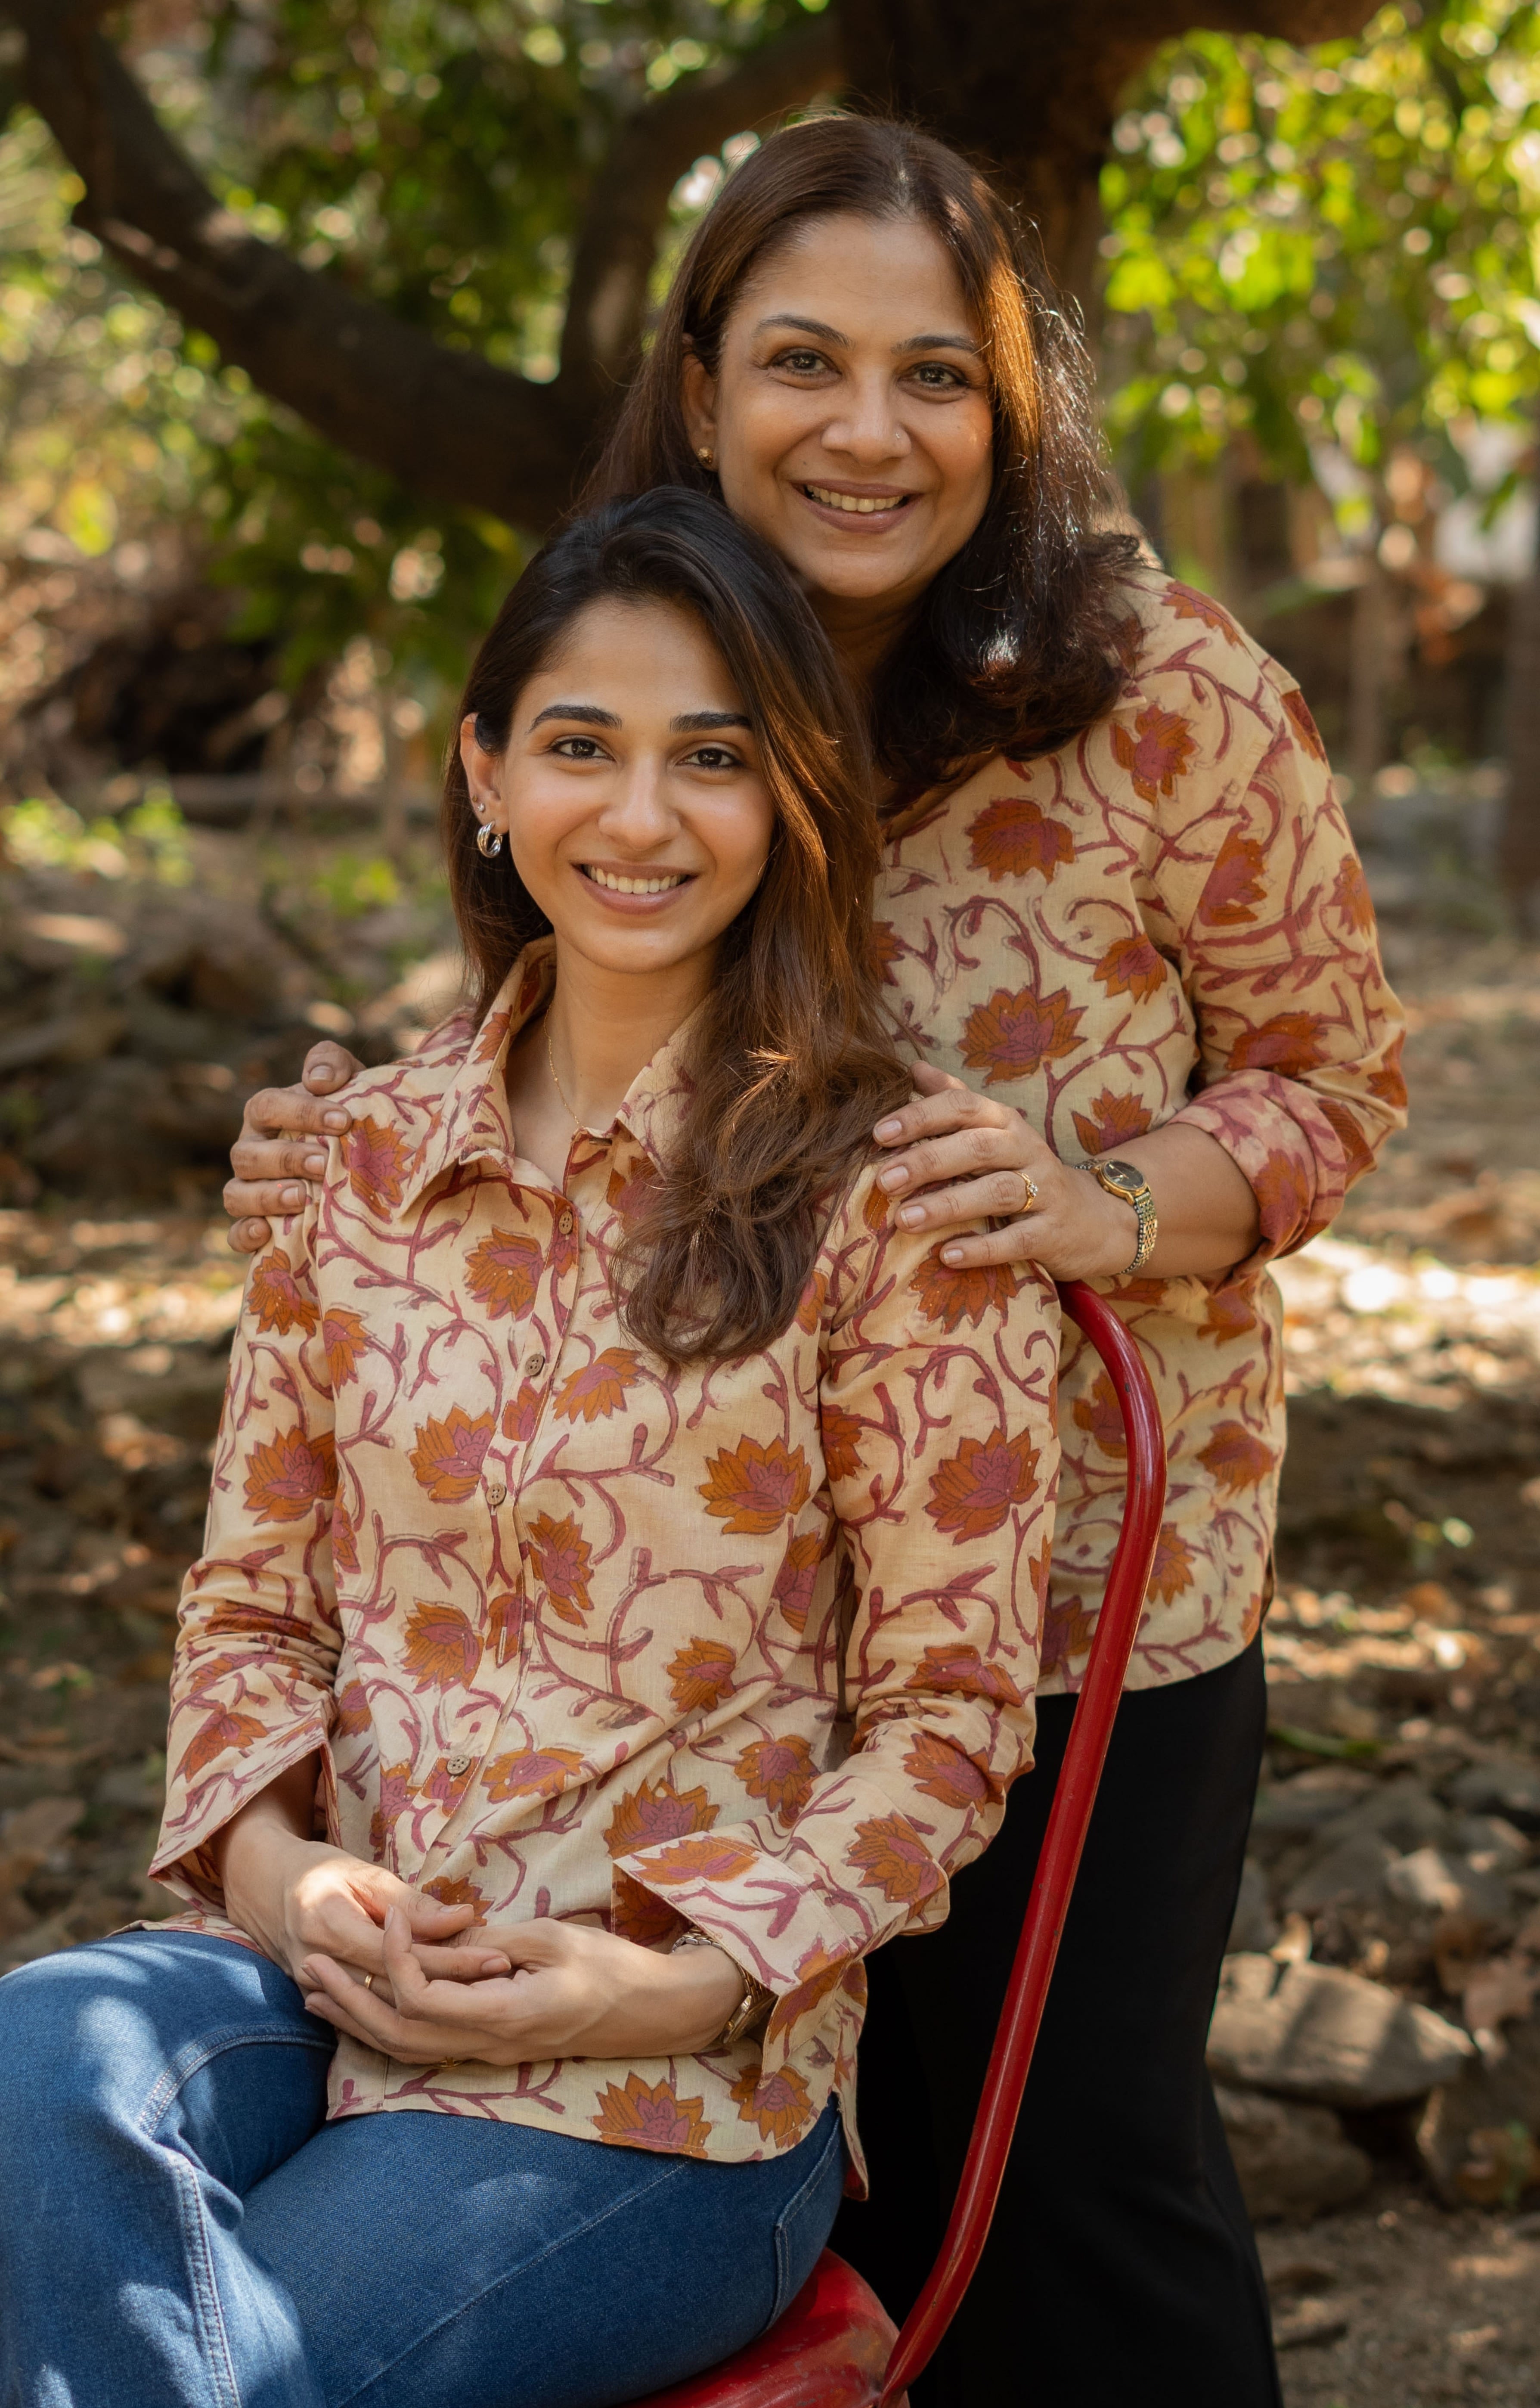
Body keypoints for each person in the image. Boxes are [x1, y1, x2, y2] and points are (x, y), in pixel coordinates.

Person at [217, 118, 1406, 2406]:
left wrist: (1107, 1197)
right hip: (684, 1633)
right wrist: (354, 1130)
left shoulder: (1163, 686)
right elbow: (555, 1024)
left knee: (1050, 2174)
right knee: (762, 2189)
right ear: (691, 381)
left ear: (1010, 406)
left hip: (1062, 1599)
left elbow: (1330, 1071)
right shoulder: (621, 653)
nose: (866, 433)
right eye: (799, 364)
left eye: (932, 377)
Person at [0, 489, 1060, 2408]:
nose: (638, 817)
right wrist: (287, 1888)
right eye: (580, 747)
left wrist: (674, 1979)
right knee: (30, 2058)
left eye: (712, 759)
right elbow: (252, 1610)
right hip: (314, 1984)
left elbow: (948, 1722)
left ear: (790, 797)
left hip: (663, 2088)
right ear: (484, 773)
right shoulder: (350, 1160)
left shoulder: (894, 1195)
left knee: (228, 2369)